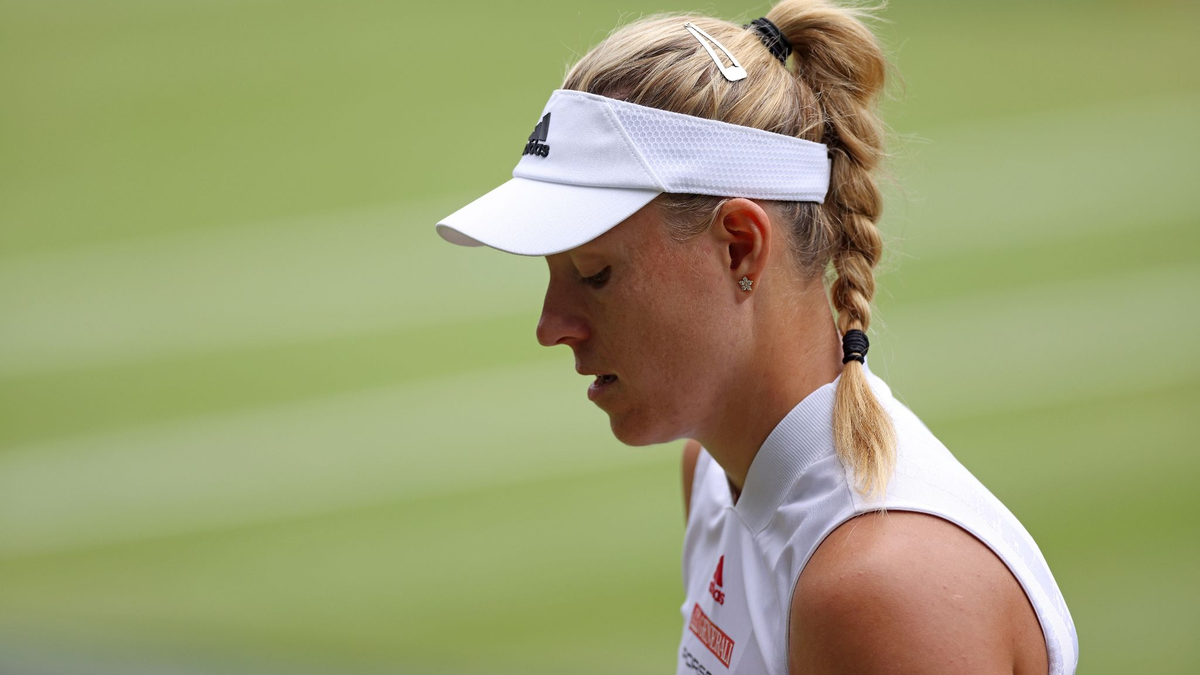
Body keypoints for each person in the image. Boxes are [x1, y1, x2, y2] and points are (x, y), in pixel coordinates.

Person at [434, 1, 1078, 673]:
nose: (551, 325)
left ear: (740, 247)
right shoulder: (715, 473)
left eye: (595, 273)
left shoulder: (879, 588)